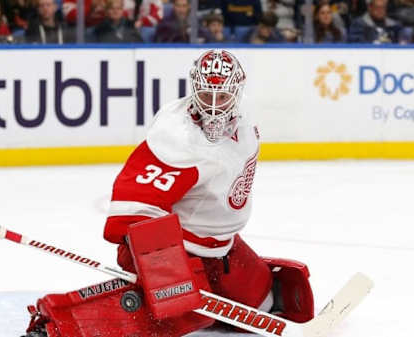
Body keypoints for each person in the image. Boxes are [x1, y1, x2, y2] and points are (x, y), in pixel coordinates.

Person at [21, 50, 315, 337]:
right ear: (194, 89)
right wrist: (163, 269)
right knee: (179, 310)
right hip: (173, 249)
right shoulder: (177, 138)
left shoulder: (246, 127)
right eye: (206, 96)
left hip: (222, 249)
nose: (213, 107)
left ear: (237, 93)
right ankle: (58, 327)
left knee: (263, 304)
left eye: (222, 97)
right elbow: (134, 206)